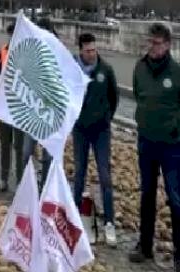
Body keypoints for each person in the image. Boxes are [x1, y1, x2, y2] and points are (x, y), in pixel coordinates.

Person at [131, 22, 180, 265]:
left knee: (175, 198)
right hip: (146, 141)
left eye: (158, 42)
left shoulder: (176, 72)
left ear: (168, 45)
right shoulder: (140, 68)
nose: (153, 46)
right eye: (150, 41)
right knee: (147, 194)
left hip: (172, 147)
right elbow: (139, 94)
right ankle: (145, 245)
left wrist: (175, 128)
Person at [72, 32, 118, 247]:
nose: (92, 54)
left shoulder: (106, 70)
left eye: (94, 49)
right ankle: (74, 215)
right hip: (80, 129)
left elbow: (114, 98)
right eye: (88, 50)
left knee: (105, 176)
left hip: (101, 131)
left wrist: (106, 118)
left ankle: (109, 222)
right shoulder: (73, 67)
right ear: (80, 50)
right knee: (79, 172)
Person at [0, 25, 29, 192]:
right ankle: (4, 178)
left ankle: (20, 181)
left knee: (19, 146)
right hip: (4, 105)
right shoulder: (3, 50)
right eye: (10, 35)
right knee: (5, 144)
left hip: (19, 108)